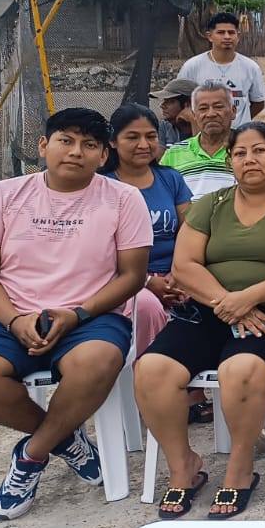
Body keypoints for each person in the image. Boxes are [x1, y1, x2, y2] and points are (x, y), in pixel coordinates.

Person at [0, 107, 152, 521]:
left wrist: (78, 314)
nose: (75, 152)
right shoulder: (2, 195)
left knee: (98, 361)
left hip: (90, 317)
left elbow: (132, 275)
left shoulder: (123, 199)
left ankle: (32, 455)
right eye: (65, 141)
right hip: (11, 315)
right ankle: (66, 439)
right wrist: (14, 319)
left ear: (103, 155)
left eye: (89, 145)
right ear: (43, 146)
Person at [135, 122, 265, 519]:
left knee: (240, 369)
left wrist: (248, 298)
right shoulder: (212, 205)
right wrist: (226, 301)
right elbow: (184, 265)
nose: (249, 159)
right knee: (152, 369)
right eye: (240, 153)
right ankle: (183, 466)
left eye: (260, 150)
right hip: (210, 309)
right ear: (230, 162)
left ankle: (240, 468)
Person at [103, 104, 194, 357]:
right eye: (132, 137)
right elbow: (99, 251)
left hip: (175, 275)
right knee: (147, 307)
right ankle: (149, 375)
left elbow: (189, 232)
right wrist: (147, 282)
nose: (144, 144)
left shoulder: (171, 179)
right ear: (113, 141)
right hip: (124, 279)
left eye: (151, 136)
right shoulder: (103, 186)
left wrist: (181, 275)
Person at [176, 12, 265, 125]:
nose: (227, 37)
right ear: (209, 36)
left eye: (231, 32)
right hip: (204, 132)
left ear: (238, 36)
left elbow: (258, 103)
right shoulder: (192, 66)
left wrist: (239, 122)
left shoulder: (251, 67)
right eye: (221, 32)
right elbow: (179, 99)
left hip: (238, 133)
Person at [160, 81, 237, 199]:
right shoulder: (173, 154)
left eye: (218, 107)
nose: (211, 114)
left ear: (233, 111)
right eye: (203, 108)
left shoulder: (247, 150)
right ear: (194, 115)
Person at [149, 78, 197, 149]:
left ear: (188, 104)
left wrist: (193, 121)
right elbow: (159, 154)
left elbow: (202, 152)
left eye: (170, 101)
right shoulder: (165, 126)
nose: (162, 105)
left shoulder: (206, 127)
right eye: (164, 100)